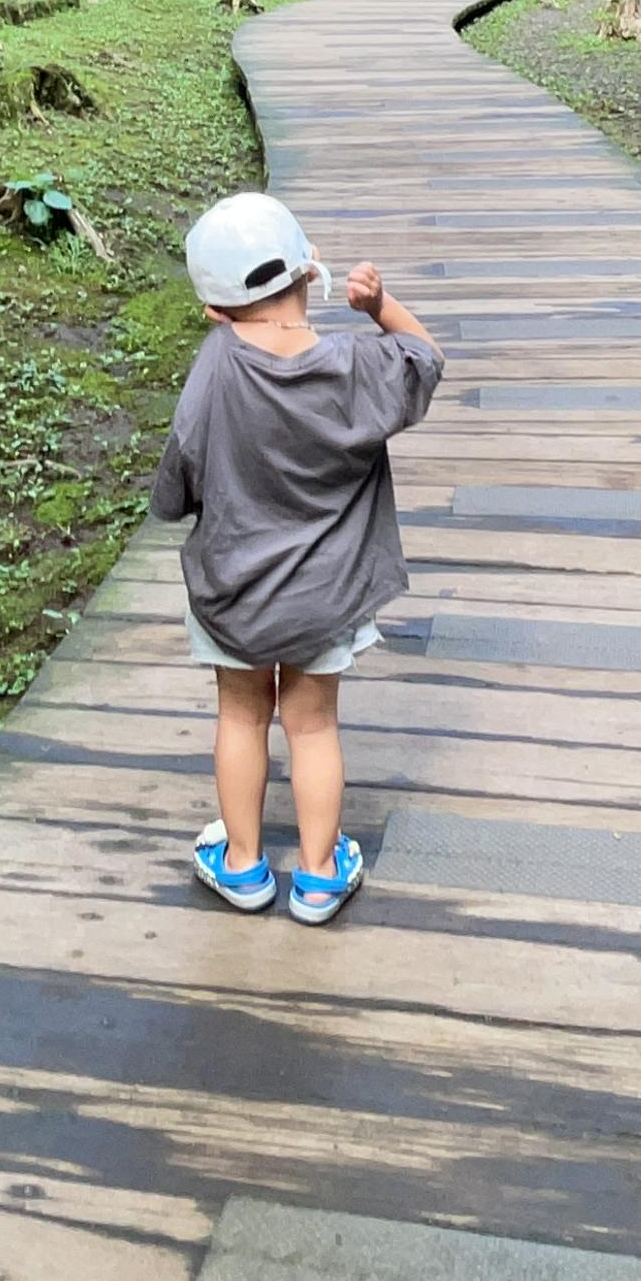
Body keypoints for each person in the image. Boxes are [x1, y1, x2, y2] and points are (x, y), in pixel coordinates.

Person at [151, 191, 441, 924]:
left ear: (213, 310)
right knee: (312, 728)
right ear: (310, 273)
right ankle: (317, 876)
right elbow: (425, 359)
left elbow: (178, 474)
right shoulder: (355, 366)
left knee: (241, 716)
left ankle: (243, 866)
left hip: (235, 592)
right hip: (326, 597)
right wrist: (381, 307)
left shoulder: (215, 367)